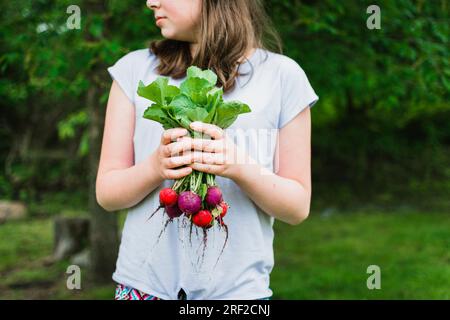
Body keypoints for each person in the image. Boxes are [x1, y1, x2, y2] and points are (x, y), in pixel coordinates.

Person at [96, 0, 319, 300]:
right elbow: (107, 194)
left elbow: (297, 207)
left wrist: (239, 167)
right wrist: (155, 168)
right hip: (143, 288)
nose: (151, 2)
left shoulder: (283, 77)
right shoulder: (134, 70)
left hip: (239, 295)